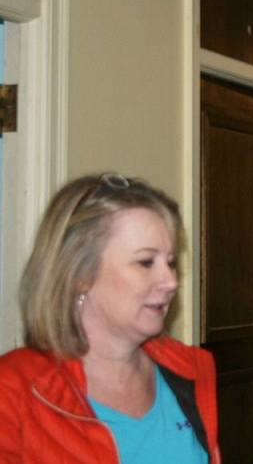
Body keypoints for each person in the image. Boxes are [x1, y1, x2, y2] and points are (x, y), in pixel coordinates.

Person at [0, 173, 220, 463]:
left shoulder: (191, 370)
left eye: (170, 263)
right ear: (80, 273)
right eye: (145, 262)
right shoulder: (13, 390)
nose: (171, 281)